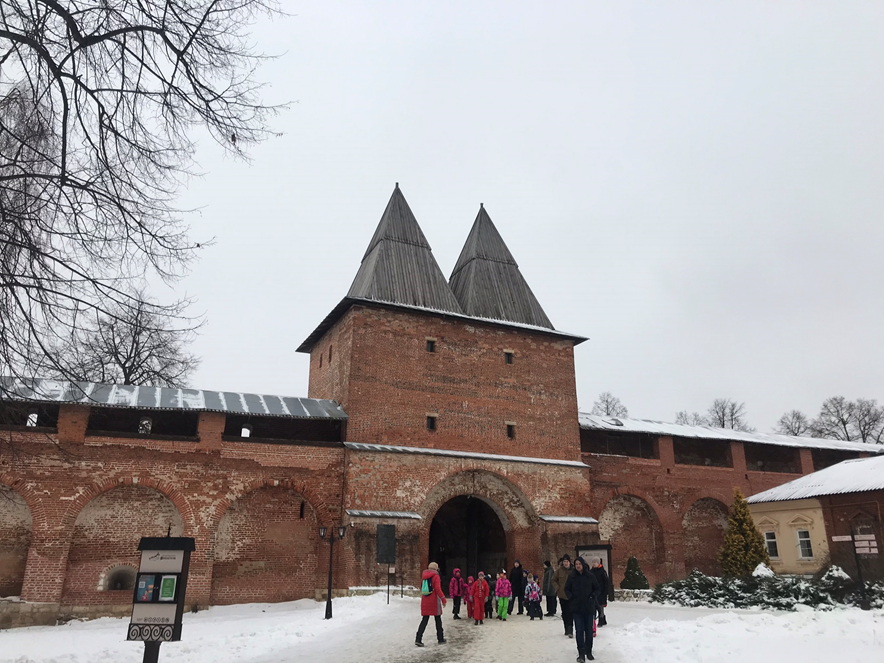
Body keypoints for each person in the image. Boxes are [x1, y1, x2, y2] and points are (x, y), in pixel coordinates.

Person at [564, 556, 601, 662]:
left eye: (579, 564)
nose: (578, 566)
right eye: (576, 564)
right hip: (577, 608)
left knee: (589, 631)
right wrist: (571, 598)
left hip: (588, 608)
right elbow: (567, 589)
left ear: (583, 565)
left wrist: (592, 597)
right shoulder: (572, 577)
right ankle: (581, 653)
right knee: (579, 631)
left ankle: (588, 651)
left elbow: (597, 589)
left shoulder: (590, 576)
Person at [416, 562, 447, 647]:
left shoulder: (423, 576)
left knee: (424, 620)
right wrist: (443, 599)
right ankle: (440, 638)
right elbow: (438, 589)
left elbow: (421, 587)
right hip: (434, 601)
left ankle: (418, 638)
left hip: (425, 601)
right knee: (438, 619)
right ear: (436, 568)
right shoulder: (436, 576)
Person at [552, 554, 574, 637]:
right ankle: (566, 628)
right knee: (564, 612)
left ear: (569, 562)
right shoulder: (559, 570)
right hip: (562, 594)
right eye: (564, 561)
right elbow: (553, 580)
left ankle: (570, 628)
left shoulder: (573, 570)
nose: (565, 563)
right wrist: (558, 588)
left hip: (571, 595)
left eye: (567, 561)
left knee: (571, 612)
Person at [590, 559, 609, 627]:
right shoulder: (591, 571)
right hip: (593, 592)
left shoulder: (602, 572)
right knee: (594, 607)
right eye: (593, 562)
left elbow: (606, 582)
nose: (594, 563)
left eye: (595, 562)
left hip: (601, 592)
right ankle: (595, 620)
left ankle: (601, 620)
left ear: (598, 563)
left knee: (600, 607)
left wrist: (605, 592)